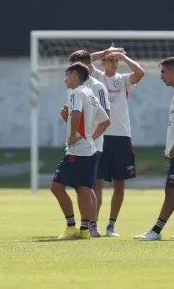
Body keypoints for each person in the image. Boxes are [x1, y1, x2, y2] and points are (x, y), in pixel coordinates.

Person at [135, 57, 174, 241]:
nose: (161, 76)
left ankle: (156, 231)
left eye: (163, 72)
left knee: (172, 188)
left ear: (173, 70)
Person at [90, 47, 145, 237]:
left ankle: (111, 225)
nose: (114, 63)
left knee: (120, 183)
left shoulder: (122, 81)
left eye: (116, 60)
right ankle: (93, 224)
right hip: (101, 136)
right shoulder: (96, 77)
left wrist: (124, 57)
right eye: (110, 60)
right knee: (97, 182)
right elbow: (81, 61)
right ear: (103, 62)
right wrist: (104, 52)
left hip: (121, 136)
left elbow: (140, 73)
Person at [52, 62, 110, 240]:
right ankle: (85, 230)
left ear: (76, 75)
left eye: (67, 75)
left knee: (56, 186)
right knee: (84, 189)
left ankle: (71, 226)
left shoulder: (76, 92)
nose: (65, 79)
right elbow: (106, 120)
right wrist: (90, 136)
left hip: (77, 151)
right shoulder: (90, 94)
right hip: (90, 149)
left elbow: (76, 115)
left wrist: (71, 137)